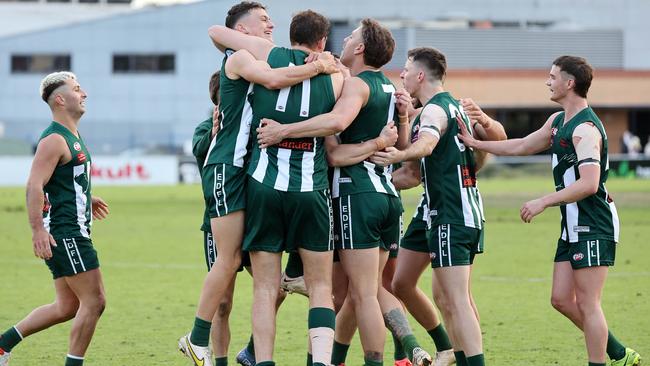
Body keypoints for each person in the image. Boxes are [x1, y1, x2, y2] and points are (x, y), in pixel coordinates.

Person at [256, 19, 433, 366]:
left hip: (357, 195)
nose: (345, 40)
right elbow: (398, 140)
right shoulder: (387, 87)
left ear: (361, 48)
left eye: (351, 36)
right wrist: (395, 128)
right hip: (385, 196)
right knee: (358, 292)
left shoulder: (357, 87)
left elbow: (335, 140)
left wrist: (283, 131)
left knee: (364, 295)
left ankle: (375, 360)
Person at [456, 55, 642, 366]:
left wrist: (543, 201)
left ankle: (603, 361)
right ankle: (619, 353)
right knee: (560, 299)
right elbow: (520, 145)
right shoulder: (558, 123)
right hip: (572, 225)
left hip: (594, 224)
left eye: (553, 76)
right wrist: (475, 142)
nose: (548, 81)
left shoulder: (585, 130)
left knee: (588, 303)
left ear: (569, 83)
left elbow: (590, 184)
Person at [179, 3, 338, 366]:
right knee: (231, 258)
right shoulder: (238, 57)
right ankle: (197, 337)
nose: (271, 25)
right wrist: (318, 65)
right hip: (226, 168)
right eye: (264, 20)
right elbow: (273, 80)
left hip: (246, 171)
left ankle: (253, 348)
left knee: (265, 275)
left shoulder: (260, 54)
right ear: (242, 27)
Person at [371, 47, 498, 366]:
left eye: (406, 69)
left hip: (453, 213)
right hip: (433, 210)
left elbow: (426, 145)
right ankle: (449, 349)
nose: (401, 75)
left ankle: (470, 360)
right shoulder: (447, 108)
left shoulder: (435, 111)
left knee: (455, 299)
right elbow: (413, 175)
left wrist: (396, 154)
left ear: (420, 76)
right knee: (401, 283)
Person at [0, 71, 109, 366]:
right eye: (77, 89)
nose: (83, 93)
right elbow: (34, 184)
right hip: (66, 232)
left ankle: (2, 345)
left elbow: (62, 180)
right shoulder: (54, 140)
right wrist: (36, 230)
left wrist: (87, 198)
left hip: (72, 227)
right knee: (95, 301)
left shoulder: (72, 135)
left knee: (67, 306)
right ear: (60, 99)